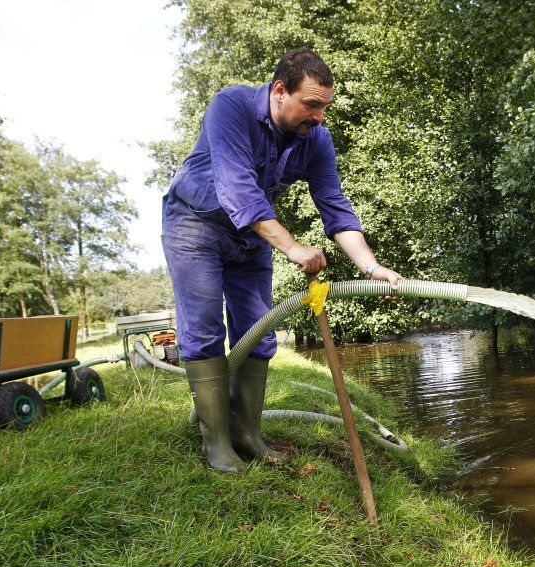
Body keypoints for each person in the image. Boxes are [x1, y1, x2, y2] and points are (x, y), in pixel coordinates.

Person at [162, 48, 401, 472]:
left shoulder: (316, 140)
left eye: (324, 107)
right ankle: (217, 446)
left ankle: (247, 435)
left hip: (251, 237)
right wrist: (292, 247)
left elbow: (334, 206)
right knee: (203, 329)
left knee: (259, 330)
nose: (319, 116)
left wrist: (372, 267)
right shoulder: (230, 107)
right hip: (194, 223)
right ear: (279, 91)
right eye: (311, 105)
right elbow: (238, 188)